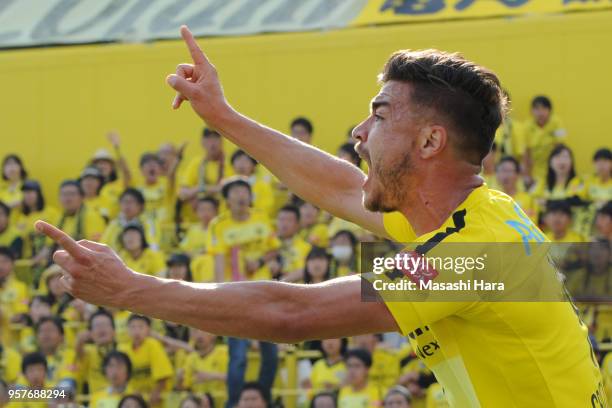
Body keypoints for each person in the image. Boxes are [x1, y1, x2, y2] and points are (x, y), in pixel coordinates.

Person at [36, 27, 604, 407]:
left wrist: (131, 290)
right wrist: (223, 116)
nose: (358, 132)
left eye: (379, 116)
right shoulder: (470, 215)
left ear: (431, 140)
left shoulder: (474, 255)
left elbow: (291, 314)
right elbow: (340, 186)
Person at [118, 314, 173, 406]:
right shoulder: (122, 349)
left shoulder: (153, 344)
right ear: (127, 330)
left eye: (141, 327)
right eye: (133, 327)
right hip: (134, 398)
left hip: (156, 400)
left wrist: (154, 395)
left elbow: (163, 376)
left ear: (148, 330)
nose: (137, 331)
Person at [523, 95, 567, 184]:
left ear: (550, 111)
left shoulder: (557, 123)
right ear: (532, 111)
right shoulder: (526, 126)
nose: (540, 113)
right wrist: (527, 175)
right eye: (537, 109)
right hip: (536, 172)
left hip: (553, 170)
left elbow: (560, 149)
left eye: (544, 109)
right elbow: (526, 153)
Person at [76, 308, 118, 394]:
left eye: (105, 325)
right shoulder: (88, 351)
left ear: (114, 331)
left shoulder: (123, 350)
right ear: (90, 333)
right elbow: (79, 351)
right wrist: (80, 341)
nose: (101, 329)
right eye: (97, 325)